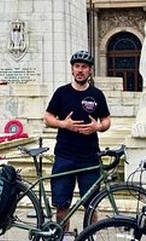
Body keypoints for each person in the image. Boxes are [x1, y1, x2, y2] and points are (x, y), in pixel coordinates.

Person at [44, 50, 111, 233]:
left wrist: (97, 127)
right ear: (72, 69)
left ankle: (90, 236)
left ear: (90, 70)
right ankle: (64, 236)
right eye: (77, 66)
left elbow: (106, 120)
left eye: (84, 67)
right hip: (64, 156)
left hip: (89, 157)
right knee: (62, 205)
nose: (80, 70)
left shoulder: (97, 95)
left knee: (91, 205)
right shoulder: (61, 93)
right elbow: (47, 118)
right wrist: (63, 124)